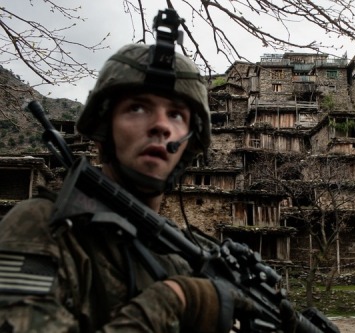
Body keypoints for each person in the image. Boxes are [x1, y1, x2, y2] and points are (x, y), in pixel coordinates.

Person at [0, 16, 275, 332]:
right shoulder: (43, 228)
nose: (161, 125)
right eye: (137, 108)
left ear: (188, 144)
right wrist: (174, 301)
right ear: (105, 128)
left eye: (175, 114)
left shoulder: (189, 254)